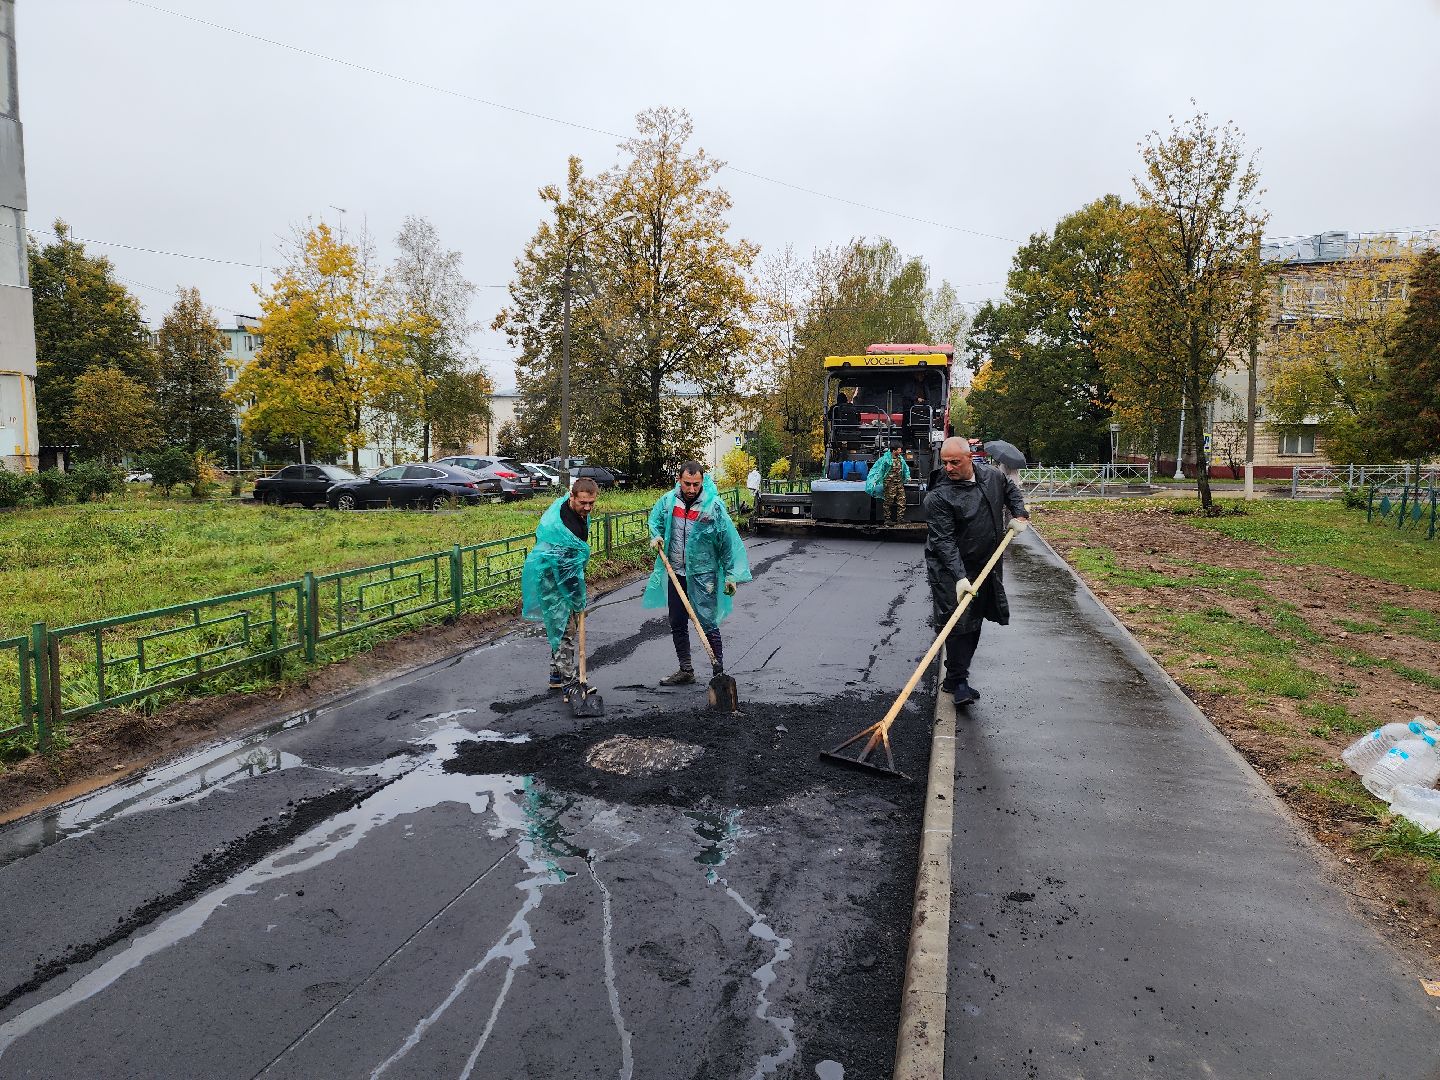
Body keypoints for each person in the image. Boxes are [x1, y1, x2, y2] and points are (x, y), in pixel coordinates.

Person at [923, 436, 1029, 706]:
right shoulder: (939, 496)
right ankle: (959, 682)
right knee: (957, 621)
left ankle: (955, 677)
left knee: (976, 618)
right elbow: (943, 541)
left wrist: (1020, 514)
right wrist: (959, 577)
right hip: (949, 568)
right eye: (945, 462)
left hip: (986, 562)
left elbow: (1010, 490)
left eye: (955, 462)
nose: (949, 468)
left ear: (970, 458)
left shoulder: (992, 476)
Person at [645, 462, 752, 685]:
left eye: (696, 484)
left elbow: (727, 542)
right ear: (678, 479)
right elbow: (654, 521)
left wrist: (731, 575)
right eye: (687, 484)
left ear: (702, 481)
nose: (692, 489)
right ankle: (686, 670)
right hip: (676, 571)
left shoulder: (713, 506)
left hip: (704, 573)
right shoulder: (668, 501)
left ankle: (718, 671)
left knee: (707, 622)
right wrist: (656, 536)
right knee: (677, 621)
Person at [520, 477, 599, 690]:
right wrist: (578, 598)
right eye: (583, 503)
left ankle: (556, 674)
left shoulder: (574, 510)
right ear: (572, 496)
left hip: (564, 572)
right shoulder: (566, 524)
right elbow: (566, 572)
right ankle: (570, 682)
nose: (587, 507)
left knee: (562, 626)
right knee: (564, 627)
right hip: (552, 577)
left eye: (591, 503)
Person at [865, 443, 911, 525]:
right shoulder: (885, 459)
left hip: (899, 483)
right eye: (899, 450)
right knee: (888, 501)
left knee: (902, 501)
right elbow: (878, 470)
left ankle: (900, 518)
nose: (900, 452)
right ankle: (887, 519)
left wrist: (907, 476)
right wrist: (874, 480)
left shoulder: (900, 458)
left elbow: (905, 468)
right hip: (889, 483)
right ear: (894, 451)